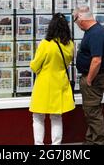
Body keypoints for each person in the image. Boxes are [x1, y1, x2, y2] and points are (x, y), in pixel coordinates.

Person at [29, 13, 75, 145]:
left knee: (38, 117)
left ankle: (39, 145)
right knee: (56, 117)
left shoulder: (45, 44)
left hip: (44, 84)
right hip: (61, 84)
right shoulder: (70, 45)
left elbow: (34, 66)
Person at [73, 6, 104, 145]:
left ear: (81, 18)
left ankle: (99, 142)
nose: (77, 24)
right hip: (93, 77)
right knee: (91, 111)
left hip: (93, 78)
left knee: (93, 112)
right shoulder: (92, 31)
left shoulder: (96, 33)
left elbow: (97, 60)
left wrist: (88, 80)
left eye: (76, 21)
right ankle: (90, 141)